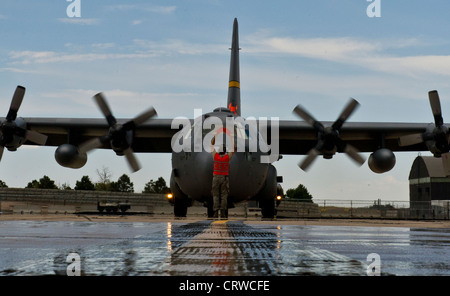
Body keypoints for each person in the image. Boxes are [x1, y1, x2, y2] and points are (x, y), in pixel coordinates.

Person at [211, 131, 234, 219]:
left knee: (216, 195)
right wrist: (231, 138)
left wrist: (215, 136)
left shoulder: (215, 156)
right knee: (224, 196)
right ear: (225, 151)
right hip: (224, 178)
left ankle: (216, 212)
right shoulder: (227, 157)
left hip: (216, 178)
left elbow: (211, 145)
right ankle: (223, 212)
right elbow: (233, 149)